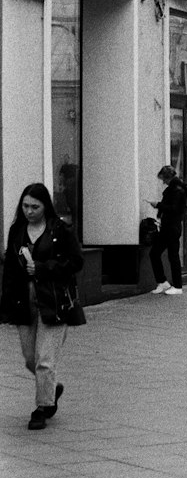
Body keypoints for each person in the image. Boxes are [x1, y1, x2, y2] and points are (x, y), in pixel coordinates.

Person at [1, 183, 85, 429]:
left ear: (45, 206)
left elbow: (76, 262)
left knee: (44, 361)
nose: (29, 211)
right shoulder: (17, 231)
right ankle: (51, 387)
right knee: (30, 360)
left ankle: (43, 407)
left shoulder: (60, 230)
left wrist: (43, 267)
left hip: (54, 303)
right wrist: (5, 303)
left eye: (35, 207)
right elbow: (10, 270)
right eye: (25, 206)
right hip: (23, 302)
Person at [147, 165, 187, 295]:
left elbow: (174, 209)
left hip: (171, 227)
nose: (163, 182)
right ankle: (165, 283)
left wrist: (158, 205)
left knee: (168, 255)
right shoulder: (178, 188)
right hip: (170, 227)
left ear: (168, 177)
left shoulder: (176, 190)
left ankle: (176, 285)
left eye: (163, 179)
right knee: (163, 254)